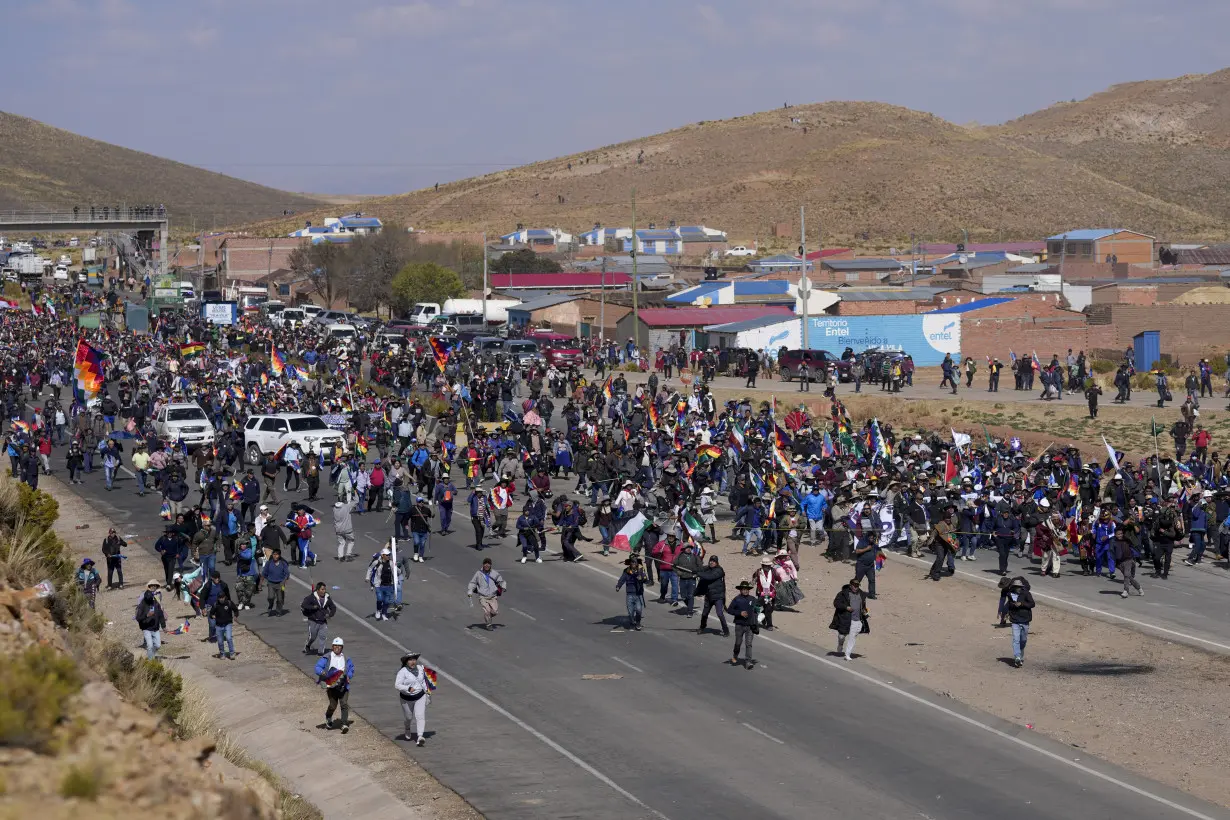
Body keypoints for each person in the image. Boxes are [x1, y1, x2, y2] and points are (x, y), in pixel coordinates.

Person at [314, 637, 355, 732]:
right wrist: (322, 672)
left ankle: (344, 724)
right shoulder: (327, 657)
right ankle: (328, 717)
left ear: (342, 647)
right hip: (331, 686)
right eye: (335, 645)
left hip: (343, 685)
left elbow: (351, 668)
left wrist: (349, 675)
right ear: (332, 646)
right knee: (333, 705)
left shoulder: (346, 658)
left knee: (344, 704)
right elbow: (318, 667)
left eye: (339, 646)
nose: (337, 647)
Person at [395, 652, 431, 746]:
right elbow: (397, 685)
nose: (413, 662)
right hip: (406, 698)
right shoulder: (402, 672)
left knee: (420, 716)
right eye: (410, 660)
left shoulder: (420, 668)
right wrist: (408, 688)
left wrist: (427, 692)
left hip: (420, 696)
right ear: (406, 662)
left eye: (414, 659)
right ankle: (407, 727)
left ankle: (420, 737)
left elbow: (424, 681)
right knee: (409, 717)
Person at [830, 577, 868, 661]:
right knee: (841, 636)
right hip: (845, 619)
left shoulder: (861, 594)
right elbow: (836, 603)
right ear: (850, 586)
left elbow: (863, 606)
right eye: (854, 585)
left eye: (857, 585)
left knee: (853, 637)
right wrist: (846, 607)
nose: (856, 587)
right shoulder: (843, 593)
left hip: (856, 620)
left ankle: (847, 654)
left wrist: (865, 612)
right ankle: (840, 644)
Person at [1001, 577, 1034, 668]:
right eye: (1016, 587)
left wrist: (1022, 604)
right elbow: (1009, 604)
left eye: (1019, 587)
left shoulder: (1027, 594)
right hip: (1015, 619)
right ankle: (1017, 657)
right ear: (1014, 587)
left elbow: (1032, 604)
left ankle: (1020, 653)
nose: (1018, 588)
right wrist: (1006, 614)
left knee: (1023, 640)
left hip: (1025, 620)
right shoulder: (1010, 594)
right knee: (1016, 639)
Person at [466, 557, 506, 631]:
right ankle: (488, 624)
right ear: (483, 565)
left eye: (488, 564)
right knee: (487, 611)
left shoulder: (494, 573)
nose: (487, 565)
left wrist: (503, 586)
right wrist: (470, 590)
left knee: (494, 612)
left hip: (493, 596)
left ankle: (488, 616)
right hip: (483, 597)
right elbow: (473, 582)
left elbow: (500, 580)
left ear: (490, 565)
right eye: (485, 563)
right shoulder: (478, 574)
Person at [695, 555, 729, 636]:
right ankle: (702, 627)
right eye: (710, 560)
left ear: (716, 562)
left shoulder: (719, 571)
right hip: (709, 596)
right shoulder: (707, 568)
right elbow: (699, 569)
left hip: (718, 597)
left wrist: (698, 574)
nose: (711, 562)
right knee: (704, 614)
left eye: (713, 561)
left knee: (719, 613)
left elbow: (709, 577)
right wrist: (692, 570)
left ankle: (726, 630)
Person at [726, 580, 758, 669]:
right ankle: (735, 655)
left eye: (747, 589)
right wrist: (740, 613)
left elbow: (758, 607)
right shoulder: (737, 599)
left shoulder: (753, 599)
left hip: (750, 626)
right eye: (743, 589)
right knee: (738, 643)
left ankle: (748, 662)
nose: (745, 591)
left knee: (749, 644)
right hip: (739, 625)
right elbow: (729, 610)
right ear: (740, 590)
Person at [301, 581, 336, 656]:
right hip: (313, 620)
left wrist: (330, 614)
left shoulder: (327, 597)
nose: (324, 591)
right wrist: (313, 607)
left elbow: (333, 607)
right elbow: (304, 605)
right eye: (322, 589)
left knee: (323, 637)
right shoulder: (311, 597)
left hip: (323, 621)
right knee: (312, 637)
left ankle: (321, 652)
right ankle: (307, 645)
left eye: (324, 589)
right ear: (318, 590)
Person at [615, 556, 648, 631]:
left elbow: (646, 580)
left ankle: (638, 622)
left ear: (637, 563)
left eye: (634, 562)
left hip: (638, 594)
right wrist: (618, 586)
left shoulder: (641, 571)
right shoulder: (626, 571)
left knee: (639, 610)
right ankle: (632, 623)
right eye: (632, 562)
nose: (633, 563)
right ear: (630, 563)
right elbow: (622, 579)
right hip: (629, 594)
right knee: (630, 611)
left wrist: (641, 579)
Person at [367, 547, 400, 621]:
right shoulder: (377, 562)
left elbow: (398, 572)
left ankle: (384, 613)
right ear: (382, 555)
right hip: (379, 584)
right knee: (380, 598)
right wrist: (367, 577)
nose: (388, 556)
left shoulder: (391, 563)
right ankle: (378, 611)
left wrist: (396, 566)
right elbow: (370, 568)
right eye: (387, 555)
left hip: (389, 585)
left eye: (389, 555)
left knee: (386, 601)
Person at [135, 585, 166, 660]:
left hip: (155, 628)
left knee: (158, 645)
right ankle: (150, 661)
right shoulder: (141, 605)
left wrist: (164, 626)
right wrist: (147, 615)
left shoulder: (155, 603)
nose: (151, 601)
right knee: (150, 645)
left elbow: (161, 615)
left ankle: (151, 655)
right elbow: (138, 618)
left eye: (151, 599)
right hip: (146, 628)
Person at [929, 503, 957, 582]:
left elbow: (953, 536)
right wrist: (930, 542)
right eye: (946, 518)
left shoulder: (951, 526)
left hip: (946, 544)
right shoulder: (940, 525)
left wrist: (954, 544)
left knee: (940, 558)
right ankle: (936, 573)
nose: (948, 520)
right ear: (944, 518)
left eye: (949, 518)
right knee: (940, 558)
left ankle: (932, 570)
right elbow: (934, 534)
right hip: (939, 544)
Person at [674, 542, 701, 618]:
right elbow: (674, 566)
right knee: (683, 596)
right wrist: (678, 572)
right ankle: (689, 606)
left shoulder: (695, 557)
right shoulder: (679, 557)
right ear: (683, 549)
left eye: (690, 548)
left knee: (691, 596)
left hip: (692, 579)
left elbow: (700, 567)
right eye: (687, 548)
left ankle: (690, 611)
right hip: (683, 579)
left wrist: (697, 573)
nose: (689, 549)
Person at [212, 587, 239, 660]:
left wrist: (236, 616)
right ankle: (222, 654)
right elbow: (211, 613)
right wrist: (213, 616)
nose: (221, 599)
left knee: (229, 638)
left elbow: (236, 610)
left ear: (225, 597)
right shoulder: (215, 605)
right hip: (218, 626)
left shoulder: (229, 603)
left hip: (228, 624)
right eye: (219, 598)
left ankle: (232, 653)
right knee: (220, 641)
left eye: (222, 597)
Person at [261, 547, 290, 615]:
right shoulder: (269, 563)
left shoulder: (283, 564)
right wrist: (260, 584)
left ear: (279, 555)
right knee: (270, 597)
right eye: (274, 554)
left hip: (281, 584)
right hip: (271, 583)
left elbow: (287, 574)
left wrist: (284, 581)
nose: (275, 556)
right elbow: (264, 573)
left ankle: (278, 611)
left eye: (276, 554)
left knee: (280, 599)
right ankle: (270, 605)